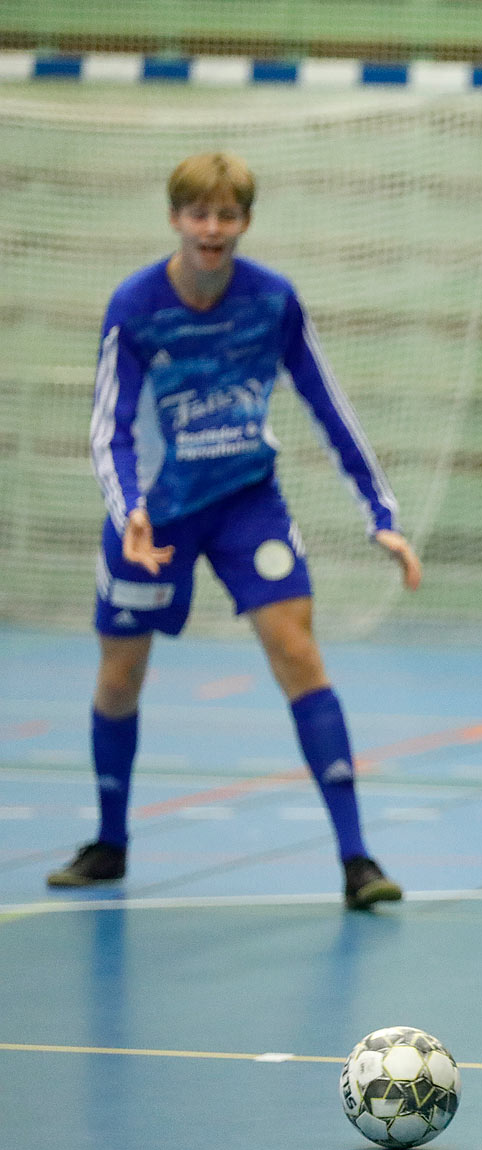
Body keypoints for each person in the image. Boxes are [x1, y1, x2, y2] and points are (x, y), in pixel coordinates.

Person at [48, 152, 419, 911]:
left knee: (298, 652)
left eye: (227, 216)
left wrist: (380, 516)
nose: (212, 230)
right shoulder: (136, 306)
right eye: (198, 215)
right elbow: (107, 425)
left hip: (249, 504)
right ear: (176, 219)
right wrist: (130, 513)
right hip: (156, 511)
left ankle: (357, 860)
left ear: (244, 222)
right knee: (120, 675)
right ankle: (111, 842)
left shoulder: (272, 301)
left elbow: (328, 404)